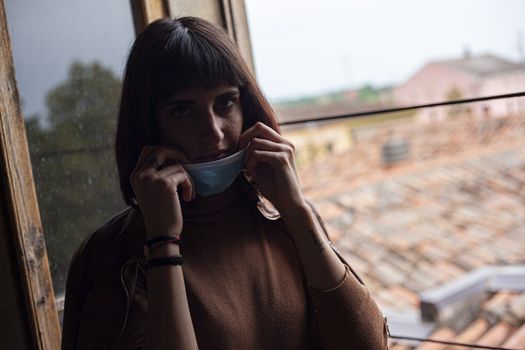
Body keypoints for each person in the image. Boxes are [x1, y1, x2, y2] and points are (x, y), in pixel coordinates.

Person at [61, 16, 388, 350]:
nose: (213, 132)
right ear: (149, 124)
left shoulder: (285, 224)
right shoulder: (113, 256)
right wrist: (163, 241)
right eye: (182, 111)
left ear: (245, 108)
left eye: (225, 103)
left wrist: (296, 208)